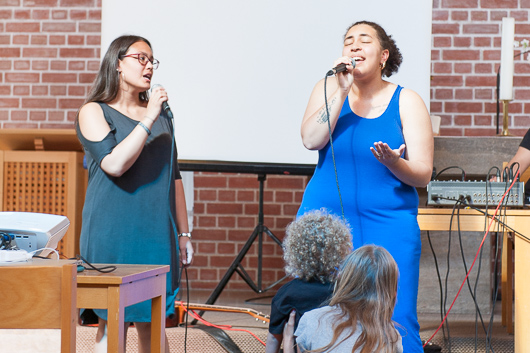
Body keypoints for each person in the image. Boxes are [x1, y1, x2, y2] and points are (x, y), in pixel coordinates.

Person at [297, 21, 433, 353]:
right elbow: (310, 139)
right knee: (320, 312)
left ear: (384, 55)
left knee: (395, 318)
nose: (355, 47)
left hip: (389, 223)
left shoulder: (407, 100)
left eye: (364, 40)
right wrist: (340, 90)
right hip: (326, 224)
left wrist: (393, 162)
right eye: (348, 41)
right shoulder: (327, 88)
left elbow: (423, 174)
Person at [75, 35, 194, 353]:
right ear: (117, 63)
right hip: (111, 230)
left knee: (153, 321)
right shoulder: (94, 111)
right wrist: (149, 117)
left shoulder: (161, 117)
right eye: (141, 58)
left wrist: (183, 233)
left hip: (155, 232)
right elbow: (114, 164)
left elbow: (176, 178)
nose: (149, 66)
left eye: (152, 60)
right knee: (112, 320)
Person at [283, 245, 403, 353]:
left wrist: (288, 340)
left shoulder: (311, 321)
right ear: (392, 293)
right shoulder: (392, 337)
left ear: (341, 279)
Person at [265, 209, 352, 353]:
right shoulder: (343, 291)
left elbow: (273, 338)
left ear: (295, 250)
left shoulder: (286, 294)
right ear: (339, 249)